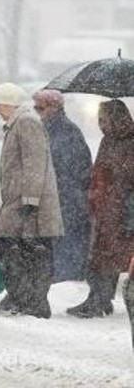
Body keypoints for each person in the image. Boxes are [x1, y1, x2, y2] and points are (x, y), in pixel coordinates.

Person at [0, 82, 64, 319]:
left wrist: (30, 201)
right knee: (20, 252)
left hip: (28, 205)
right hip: (20, 203)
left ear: (9, 103)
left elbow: (34, 164)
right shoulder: (19, 123)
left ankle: (32, 301)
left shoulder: (27, 122)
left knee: (20, 251)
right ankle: (23, 298)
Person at [67, 99, 134, 318]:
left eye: (104, 119)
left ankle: (100, 299)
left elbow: (125, 175)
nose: (101, 124)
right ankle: (98, 298)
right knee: (101, 256)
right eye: (99, 120)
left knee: (112, 256)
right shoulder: (108, 140)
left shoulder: (129, 141)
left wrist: (111, 180)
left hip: (121, 210)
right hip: (105, 208)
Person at [32, 89, 93, 282]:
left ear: (55, 108)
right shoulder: (46, 129)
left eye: (41, 108)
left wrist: (61, 190)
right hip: (56, 199)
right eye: (35, 108)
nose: (38, 112)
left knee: (68, 244)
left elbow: (74, 169)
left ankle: (67, 281)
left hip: (68, 200)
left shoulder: (68, 132)